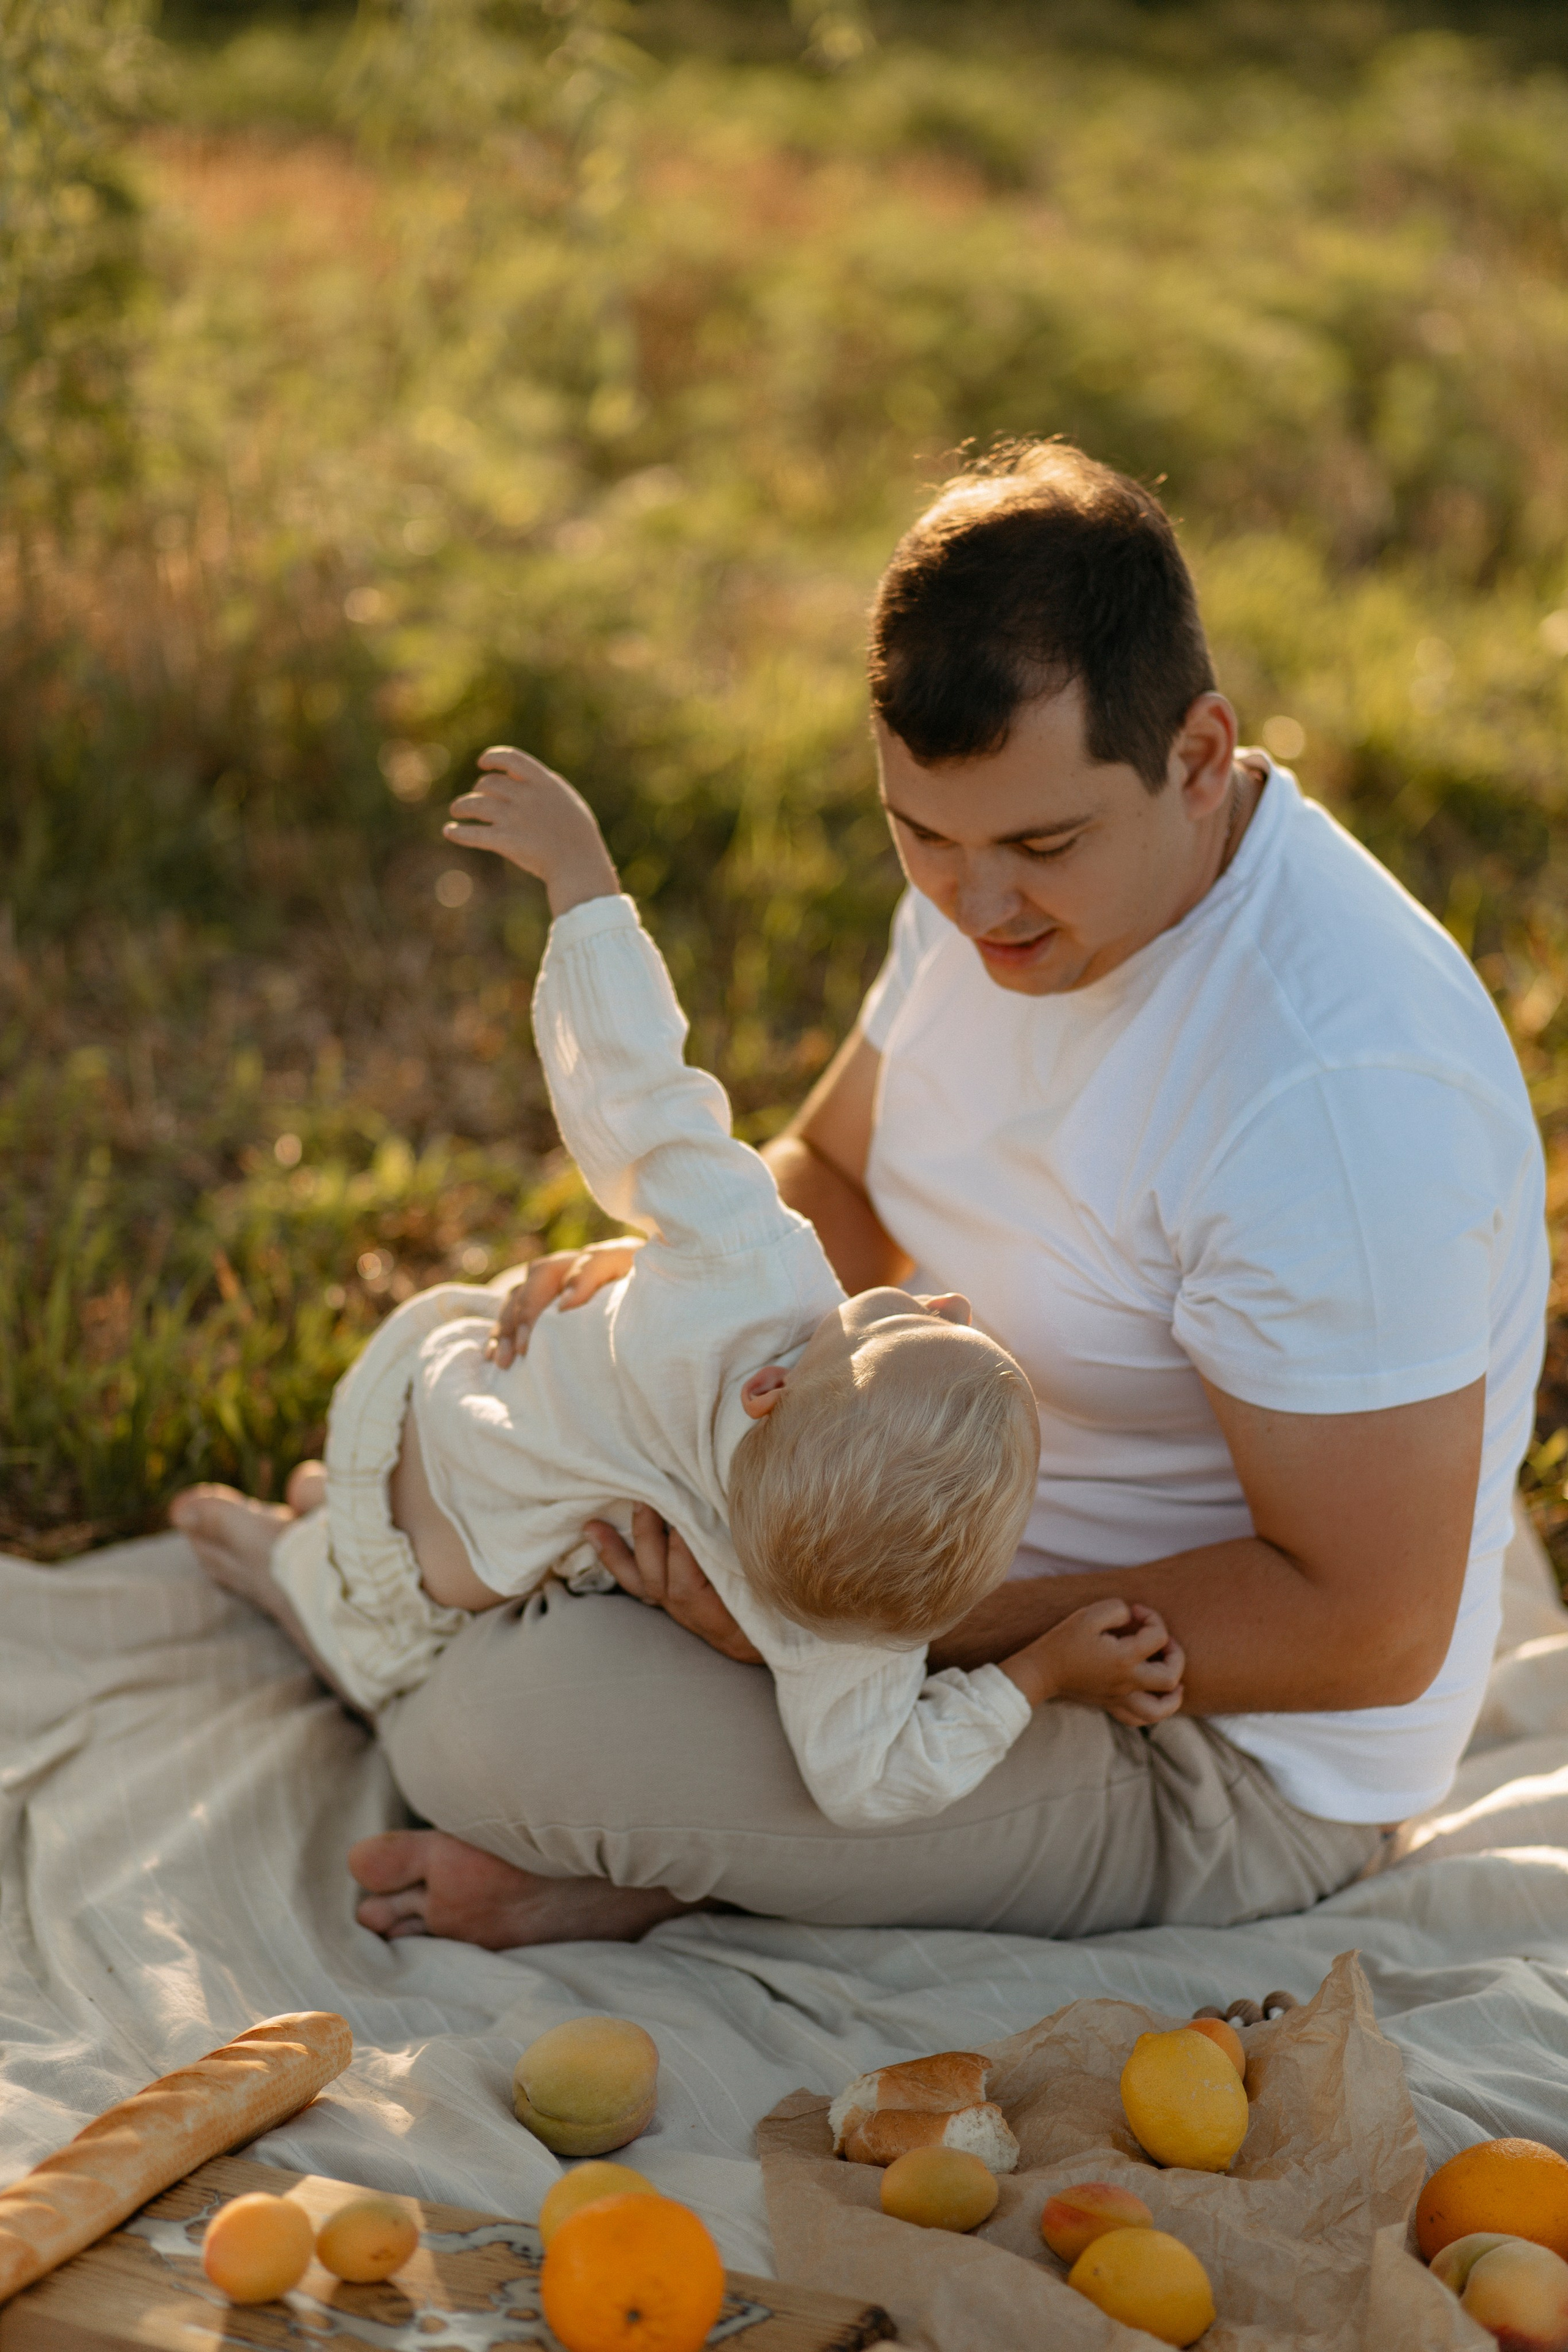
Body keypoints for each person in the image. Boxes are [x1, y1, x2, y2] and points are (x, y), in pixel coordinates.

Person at [217, 438, 1550, 1953]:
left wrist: (828, 1625)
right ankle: (581, 1719)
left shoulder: (1330, 1096)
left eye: (1038, 845)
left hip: (1193, 1742)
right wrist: (667, 1303)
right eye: (921, 835)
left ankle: (650, 1867)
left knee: (503, 1731)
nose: (974, 905)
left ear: (1196, 756)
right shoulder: (1009, 899)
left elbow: (1363, 1627)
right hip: (871, 1515)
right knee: (471, 1397)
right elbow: (841, 1174)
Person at [171, 747, 1186, 1831]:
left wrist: (585, 886)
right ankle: (298, 1549)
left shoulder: (753, 1266)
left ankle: (303, 1541)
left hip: (429, 1400)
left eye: (905, 1321)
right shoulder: (836, 1624)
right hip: (431, 1556)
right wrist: (1035, 1674)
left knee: (363, 1561)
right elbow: (870, 1783)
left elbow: (638, 1087)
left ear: (772, 1387)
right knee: (398, 1605)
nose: (950, 1303)